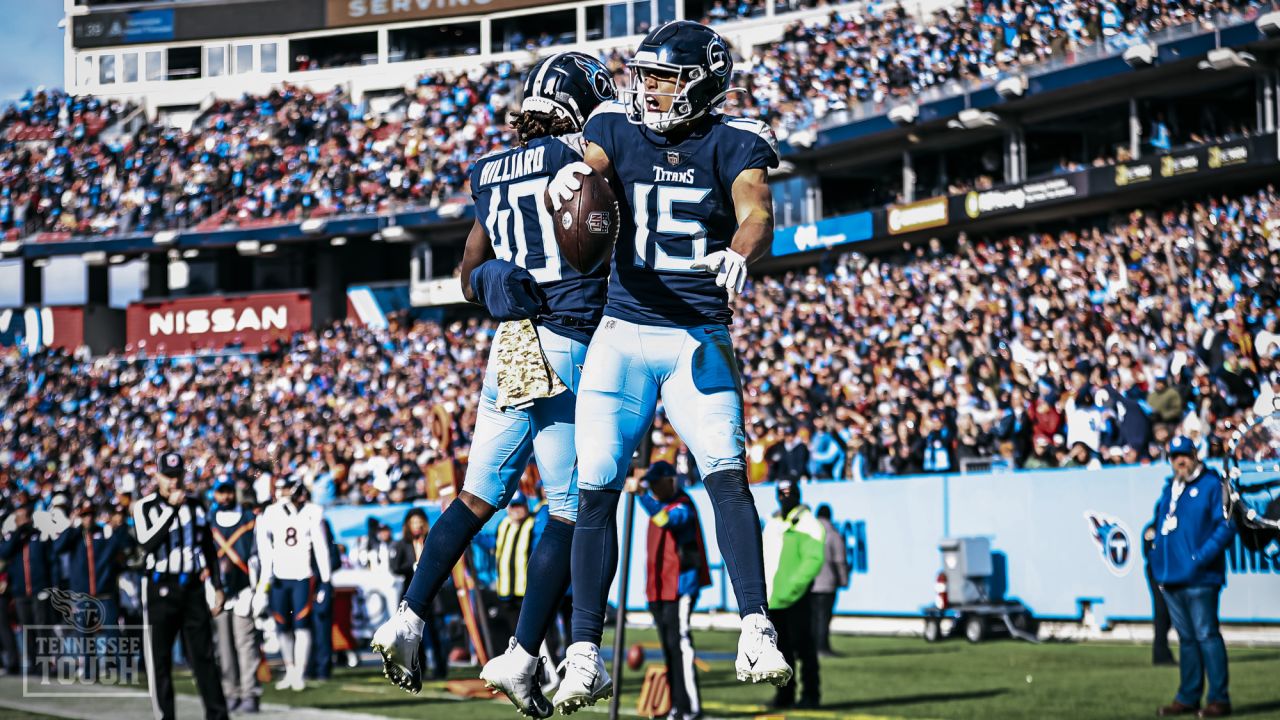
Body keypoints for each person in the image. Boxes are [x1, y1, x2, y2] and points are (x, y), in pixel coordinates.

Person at [547, 21, 792, 713]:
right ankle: (584, 653)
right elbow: (590, 170)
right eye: (644, 74)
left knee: (725, 474)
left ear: (703, 82)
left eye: (661, 76)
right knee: (594, 486)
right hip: (622, 334)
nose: (646, 87)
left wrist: (742, 249)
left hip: (697, 336)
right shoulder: (616, 129)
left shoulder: (736, 140)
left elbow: (757, 210)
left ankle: (754, 626)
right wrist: (575, 175)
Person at [371, 51, 616, 719]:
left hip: (509, 341)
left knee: (477, 496)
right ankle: (522, 652)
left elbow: (467, 273)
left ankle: (408, 618)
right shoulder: (586, 158)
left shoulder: (490, 171)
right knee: (570, 509)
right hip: (567, 334)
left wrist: (486, 284)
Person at [131, 451, 229, 720]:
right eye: (168, 477)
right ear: (157, 476)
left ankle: (218, 715)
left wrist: (217, 585)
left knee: (204, 658)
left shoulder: (197, 506)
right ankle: (165, 716)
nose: (173, 483)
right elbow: (147, 543)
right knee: (160, 661)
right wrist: (172, 509)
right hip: (160, 588)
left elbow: (208, 547)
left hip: (192, 588)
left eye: (177, 476)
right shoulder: (145, 507)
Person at [1151, 436, 1235, 718]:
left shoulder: (1211, 485)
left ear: (1195, 454)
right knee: (1186, 639)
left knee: (1206, 635)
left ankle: (1219, 698)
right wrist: (1156, 557)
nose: (1179, 461)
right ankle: (1188, 695)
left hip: (1201, 578)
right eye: (1174, 457)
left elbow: (1225, 527)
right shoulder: (1170, 489)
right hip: (1171, 576)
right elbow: (1160, 525)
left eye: (1184, 455)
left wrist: (1199, 558)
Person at [627, 461, 711, 720]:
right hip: (659, 588)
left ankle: (690, 708)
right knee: (668, 647)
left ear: (670, 481)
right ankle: (676, 706)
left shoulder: (683, 505)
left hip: (680, 586)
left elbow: (665, 520)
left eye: (656, 483)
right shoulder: (658, 504)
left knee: (681, 645)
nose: (652, 488)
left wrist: (641, 494)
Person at [254, 477, 332, 693]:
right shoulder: (271, 513)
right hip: (279, 576)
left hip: (302, 576)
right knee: (282, 626)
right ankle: (290, 668)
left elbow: (321, 546)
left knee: (301, 625)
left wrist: (325, 580)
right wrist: (265, 579)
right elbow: (264, 549)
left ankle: (299, 671)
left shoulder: (313, 511)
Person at [51, 499, 133, 675]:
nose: (88, 518)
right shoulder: (75, 536)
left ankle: (123, 669)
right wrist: (72, 528)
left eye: (90, 514)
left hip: (105, 593)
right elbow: (57, 548)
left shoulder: (104, 533)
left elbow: (127, 545)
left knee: (113, 633)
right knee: (85, 636)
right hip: (83, 595)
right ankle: (89, 670)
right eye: (84, 515)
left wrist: (118, 528)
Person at [763, 480, 825, 709]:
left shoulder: (808, 523)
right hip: (773, 598)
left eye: (789, 493)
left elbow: (812, 560)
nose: (785, 497)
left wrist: (792, 587)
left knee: (805, 649)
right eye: (781, 493)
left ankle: (811, 695)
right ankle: (784, 695)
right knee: (781, 652)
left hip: (796, 597)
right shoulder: (773, 523)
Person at [208, 480, 263, 713]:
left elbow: (258, 554)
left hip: (243, 590)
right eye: (221, 492)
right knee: (224, 647)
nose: (226, 497)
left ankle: (250, 692)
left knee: (246, 644)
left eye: (228, 492)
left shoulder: (250, 518)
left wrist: (255, 588)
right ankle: (230, 691)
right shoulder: (208, 520)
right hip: (217, 590)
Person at [389, 508, 445, 680]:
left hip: (433, 595)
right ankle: (418, 668)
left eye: (420, 522)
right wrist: (412, 566)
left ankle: (441, 668)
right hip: (412, 593)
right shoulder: (401, 544)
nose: (417, 526)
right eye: (414, 522)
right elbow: (395, 567)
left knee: (436, 633)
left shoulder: (431, 540)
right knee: (413, 635)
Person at [0, 503, 55, 673]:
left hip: (39, 589)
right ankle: (32, 662)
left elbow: (50, 562)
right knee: (27, 628)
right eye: (17, 517)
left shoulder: (39, 536)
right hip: (20, 591)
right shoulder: (13, 539)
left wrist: (51, 587)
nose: (20, 520)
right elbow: (4, 552)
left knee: (41, 627)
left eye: (22, 516)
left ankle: (44, 663)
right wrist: (18, 533)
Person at [493, 493, 536, 647]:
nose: (517, 510)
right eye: (514, 506)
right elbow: (493, 545)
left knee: (532, 635)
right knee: (512, 635)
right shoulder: (503, 525)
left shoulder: (533, 524)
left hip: (526, 591)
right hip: (506, 590)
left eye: (520, 506)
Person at [810, 504, 848, 657]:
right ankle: (822, 648)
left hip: (810, 583)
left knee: (812, 618)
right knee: (824, 618)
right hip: (827, 584)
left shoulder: (809, 533)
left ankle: (811, 648)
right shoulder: (833, 534)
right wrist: (843, 579)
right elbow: (839, 560)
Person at [1141, 521, 1176, 667]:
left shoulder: (1172, 526)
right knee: (1162, 612)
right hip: (1158, 574)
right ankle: (1160, 653)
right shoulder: (1153, 529)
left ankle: (1162, 652)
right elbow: (1149, 552)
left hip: (1171, 573)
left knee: (1167, 614)